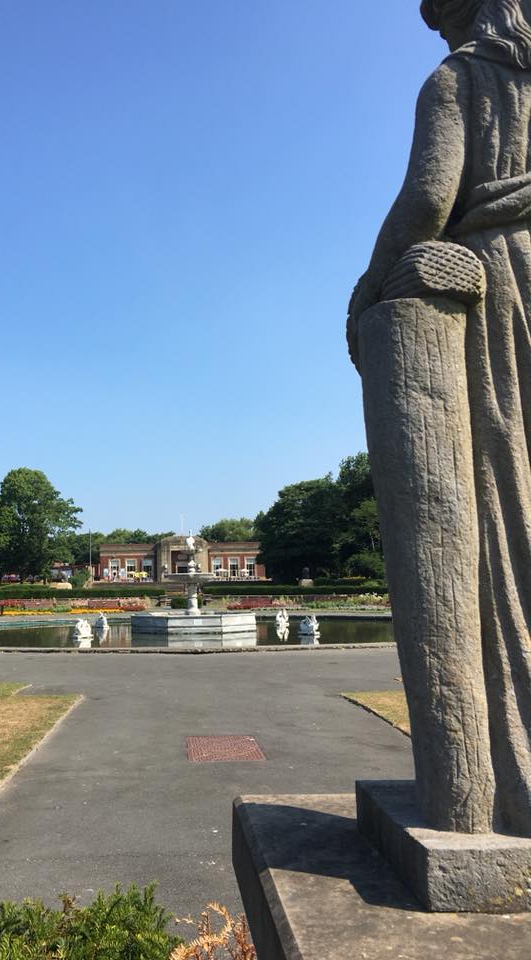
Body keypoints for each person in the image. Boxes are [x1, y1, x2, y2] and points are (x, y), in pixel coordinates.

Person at [349, 0, 531, 836]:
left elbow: (429, 199)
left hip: (502, 285)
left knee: (500, 500)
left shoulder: (461, 78)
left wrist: (368, 289)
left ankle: (493, 780)